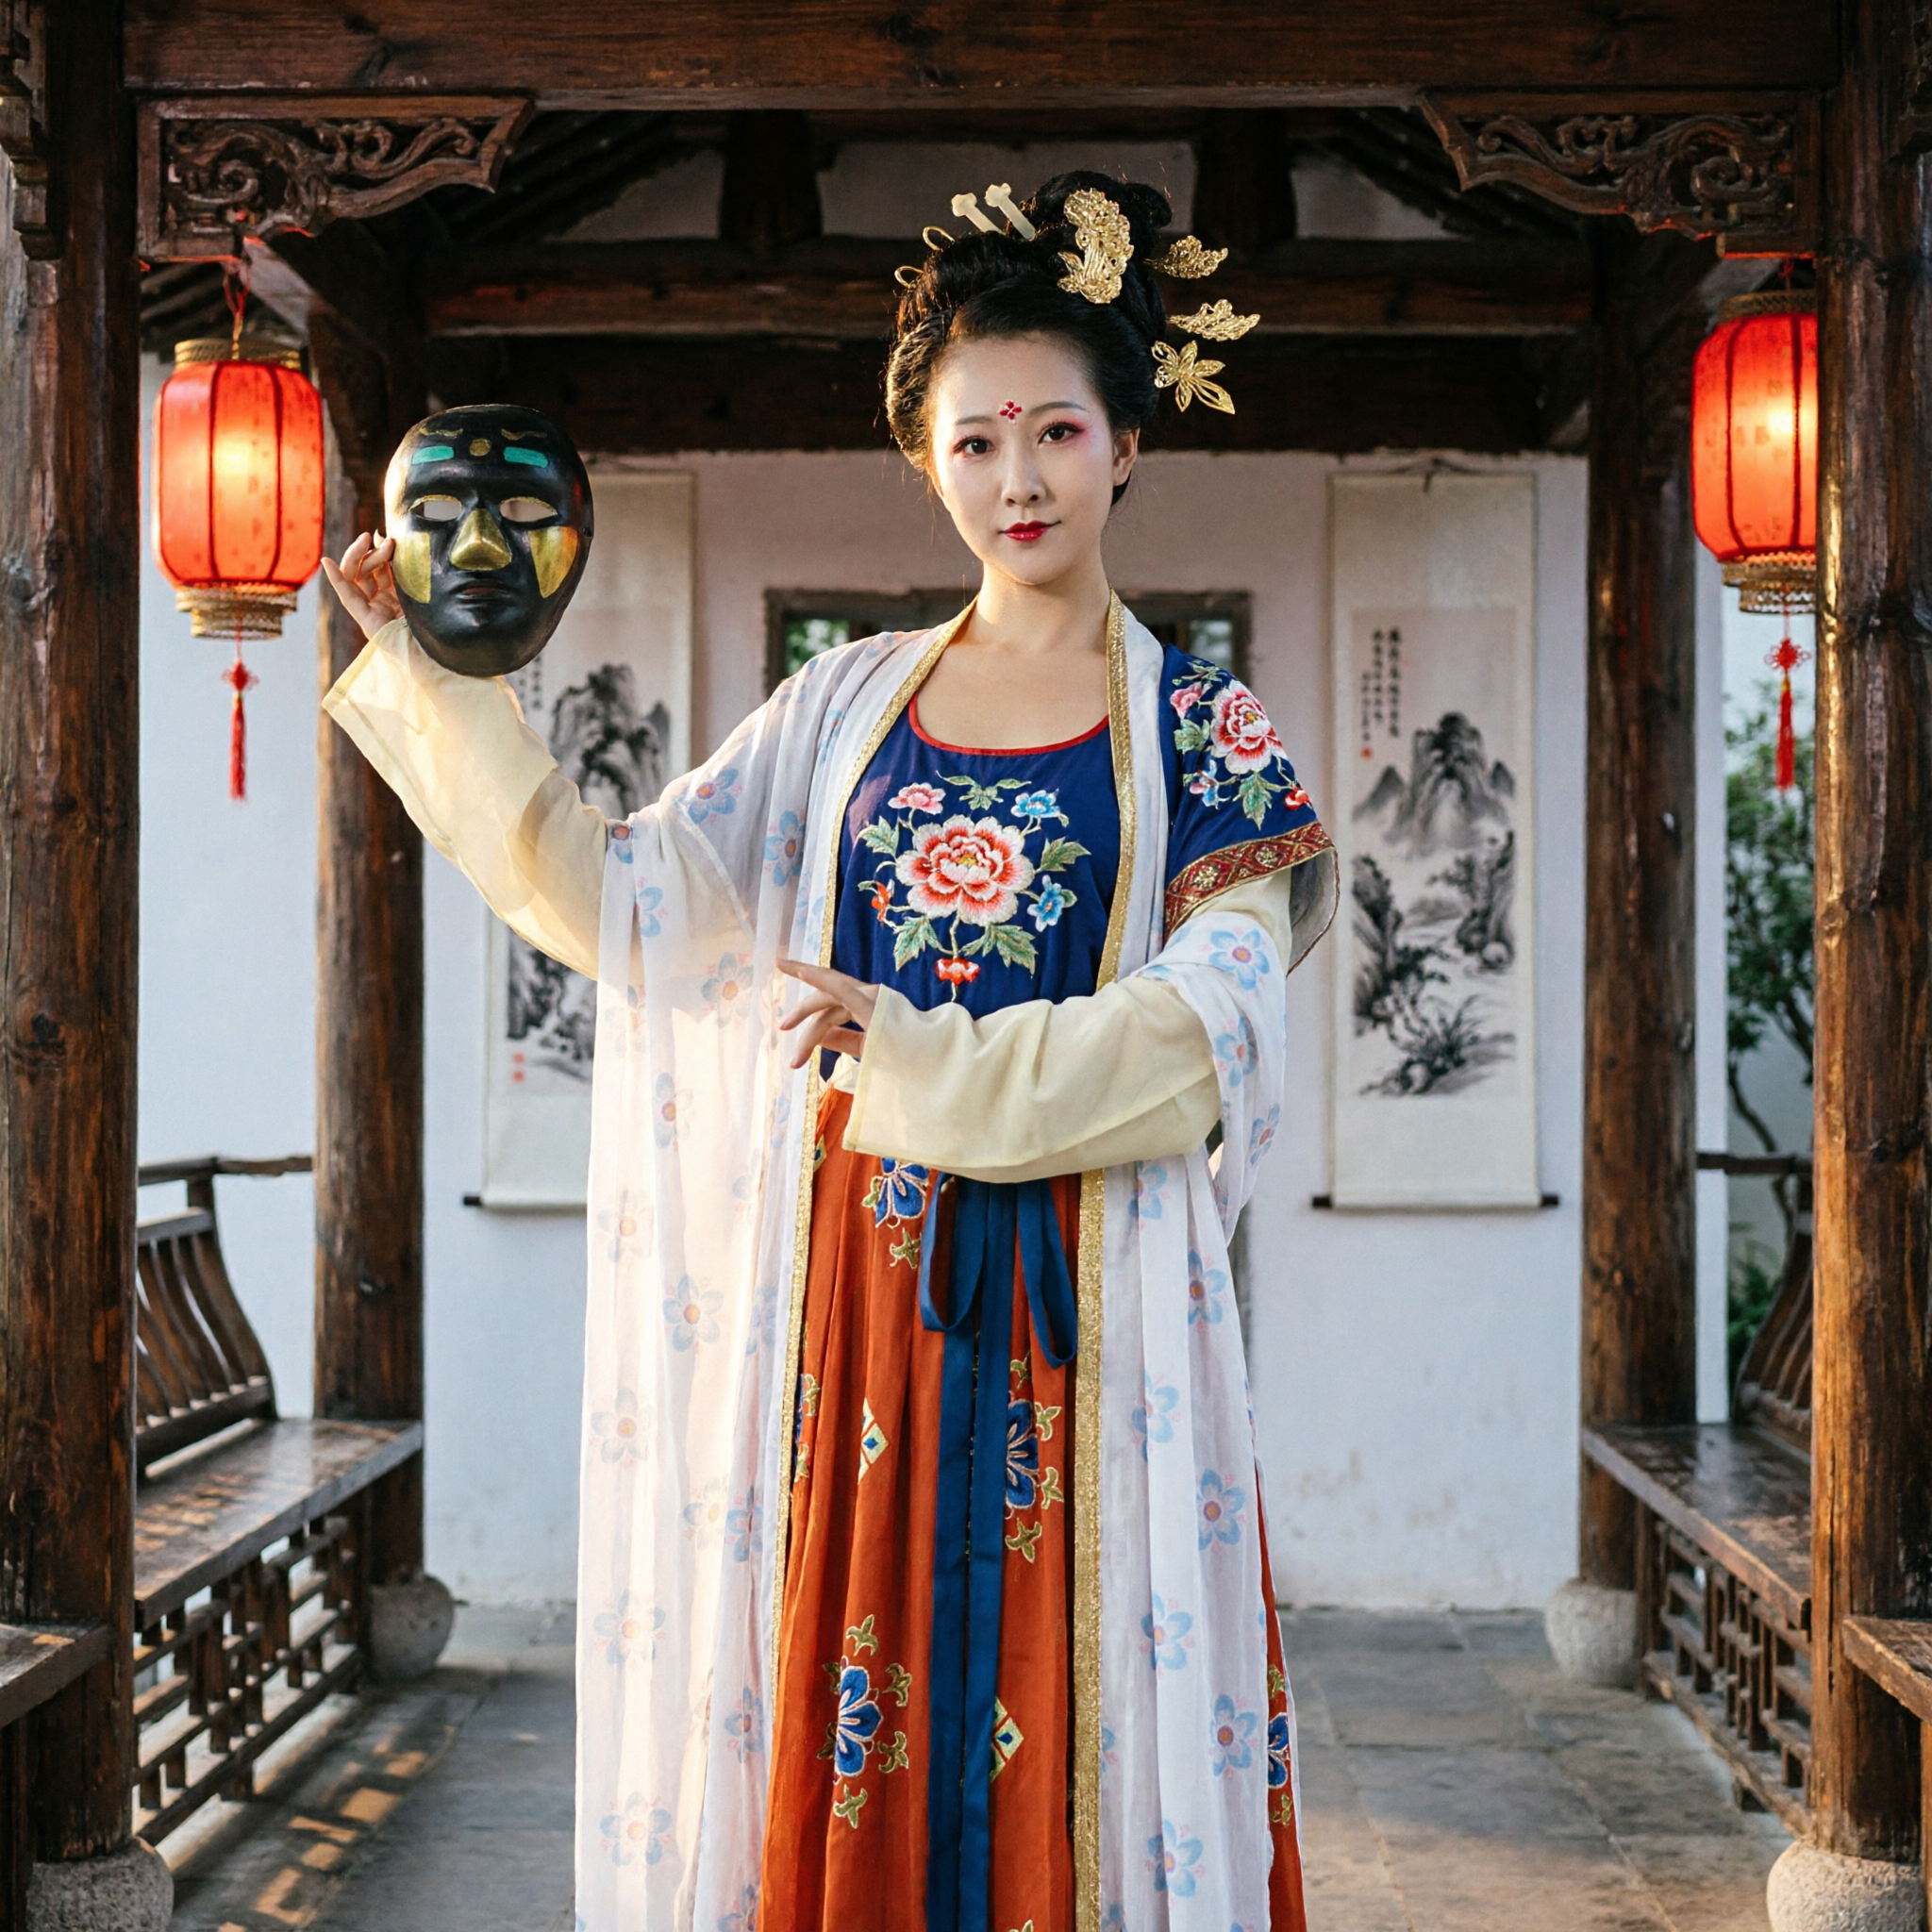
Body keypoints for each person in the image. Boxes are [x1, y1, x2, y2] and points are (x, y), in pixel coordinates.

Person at [322, 171, 1335, 1932]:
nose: (1017, 479)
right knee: (862, 1708)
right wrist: (440, 687)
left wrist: (917, 1052)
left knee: (1076, 1723)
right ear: (926, 463)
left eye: (1055, 432)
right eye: (975, 442)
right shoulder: (839, 711)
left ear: (1125, 449)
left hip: (1083, 1308)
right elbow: (641, 910)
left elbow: (1203, 1036)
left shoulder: (1201, 731)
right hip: (857, 1309)